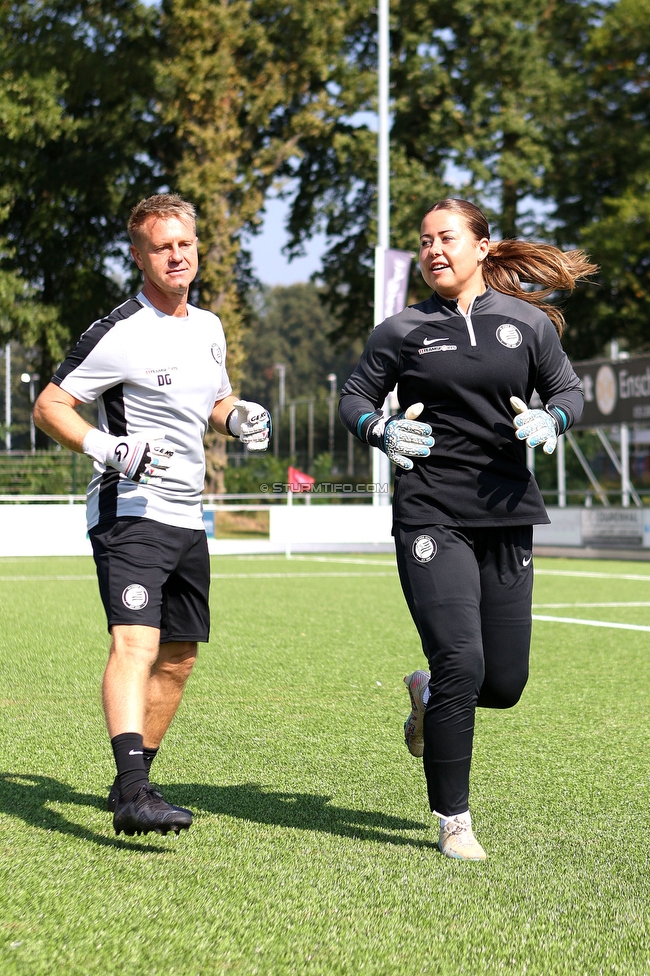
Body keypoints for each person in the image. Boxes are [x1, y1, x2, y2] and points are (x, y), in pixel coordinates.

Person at [339, 199, 596, 860]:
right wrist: (381, 429)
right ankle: (455, 820)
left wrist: (554, 422)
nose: (432, 251)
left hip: (509, 514)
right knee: (463, 659)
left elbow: (569, 391)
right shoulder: (400, 330)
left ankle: (428, 697)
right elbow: (353, 398)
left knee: (502, 685)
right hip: (430, 513)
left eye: (446, 238)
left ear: (483, 247)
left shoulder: (528, 325)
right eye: (423, 241)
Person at [34, 193, 271, 837]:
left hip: (187, 515)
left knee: (181, 656)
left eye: (185, 244)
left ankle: (130, 783)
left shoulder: (209, 328)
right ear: (138, 256)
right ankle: (136, 791)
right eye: (161, 246)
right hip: (128, 511)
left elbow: (213, 401)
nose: (176, 255)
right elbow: (50, 405)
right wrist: (108, 447)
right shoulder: (119, 331)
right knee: (134, 642)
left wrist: (238, 415)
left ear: (197, 249)